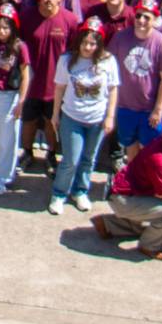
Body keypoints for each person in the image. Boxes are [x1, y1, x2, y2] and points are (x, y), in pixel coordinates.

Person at [94, 111, 162, 259]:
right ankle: (149, 247)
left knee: (150, 221)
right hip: (122, 197)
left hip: (127, 193)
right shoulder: (159, 157)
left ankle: (107, 224)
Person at [48, 19, 116, 215]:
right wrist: (55, 114)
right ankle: (59, 193)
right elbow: (59, 87)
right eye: (84, 42)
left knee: (89, 158)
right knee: (70, 159)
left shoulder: (108, 61)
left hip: (97, 119)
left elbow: (113, 89)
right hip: (72, 117)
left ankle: (80, 191)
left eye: (92, 43)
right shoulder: (67, 60)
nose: (87, 47)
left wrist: (110, 116)